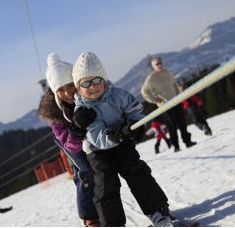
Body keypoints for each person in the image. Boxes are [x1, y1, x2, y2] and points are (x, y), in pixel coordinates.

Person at [71, 52, 179, 227]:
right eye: (85, 83)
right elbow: (97, 137)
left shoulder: (119, 95)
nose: (92, 86)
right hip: (98, 152)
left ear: (104, 79)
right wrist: (119, 134)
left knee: (137, 171)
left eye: (96, 80)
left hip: (123, 144)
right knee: (106, 184)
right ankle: (113, 224)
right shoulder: (83, 111)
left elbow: (134, 110)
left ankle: (158, 211)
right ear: (78, 87)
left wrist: (136, 125)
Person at [38, 53, 100, 227]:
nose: (67, 93)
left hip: (89, 137)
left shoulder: (87, 92)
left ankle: (105, 206)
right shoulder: (54, 113)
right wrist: (77, 130)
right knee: (85, 171)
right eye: (60, 89)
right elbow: (69, 144)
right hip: (69, 141)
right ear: (54, 91)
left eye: (70, 86)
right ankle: (90, 217)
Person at [141, 56, 196, 152]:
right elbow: (144, 92)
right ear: (153, 66)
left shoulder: (167, 73)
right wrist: (155, 100)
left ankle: (188, 142)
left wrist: (179, 95)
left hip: (176, 102)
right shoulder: (151, 78)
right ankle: (176, 146)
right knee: (171, 126)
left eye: (160, 62)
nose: (159, 65)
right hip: (165, 106)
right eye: (156, 64)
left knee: (182, 123)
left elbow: (175, 84)